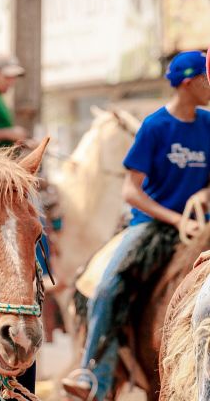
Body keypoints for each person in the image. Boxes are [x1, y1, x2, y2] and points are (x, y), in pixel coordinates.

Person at [62, 50, 210, 401]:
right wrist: (174, 217)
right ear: (188, 83)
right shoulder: (155, 127)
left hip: (201, 223)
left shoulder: (208, 125)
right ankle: (94, 373)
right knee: (108, 286)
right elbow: (131, 190)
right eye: (205, 78)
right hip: (153, 227)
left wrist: (204, 193)